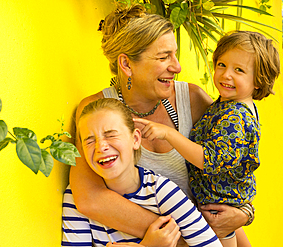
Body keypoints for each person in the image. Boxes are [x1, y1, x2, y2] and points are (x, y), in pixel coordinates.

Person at [69, 4, 250, 246]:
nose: (177, 67)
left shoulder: (193, 100)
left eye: (174, 54)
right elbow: (89, 199)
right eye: (164, 57)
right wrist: (173, 238)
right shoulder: (96, 112)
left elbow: (228, 169)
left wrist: (245, 212)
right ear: (126, 64)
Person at [134, 31, 281, 247]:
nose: (226, 75)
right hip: (218, 201)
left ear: (258, 81)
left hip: (218, 207)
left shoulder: (235, 116)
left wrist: (169, 134)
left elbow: (209, 160)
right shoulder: (226, 105)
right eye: (222, 65)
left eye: (239, 70)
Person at [61, 98, 222, 246]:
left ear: (135, 139)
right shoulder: (74, 196)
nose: (100, 146)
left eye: (111, 135)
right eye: (89, 140)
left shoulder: (162, 192)